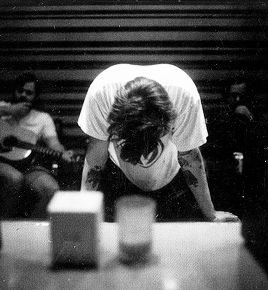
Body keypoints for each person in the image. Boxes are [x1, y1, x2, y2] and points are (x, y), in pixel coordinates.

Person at [78, 64, 239, 222]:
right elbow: (96, 157)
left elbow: (189, 156)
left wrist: (211, 214)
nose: (144, 158)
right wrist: (83, 213)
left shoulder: (184, 95)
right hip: (120, 175)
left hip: (173, 176)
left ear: (168, 122)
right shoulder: (101, 94)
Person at [0, 72, 74, 218]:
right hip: (2, 162)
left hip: (29, 166)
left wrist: (63, 152)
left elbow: (54, 143)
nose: (23, 95)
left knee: (51, 189)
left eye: (28, 93)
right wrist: (9, 110)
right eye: (20, 90)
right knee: (14, 178)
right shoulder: (2, 108)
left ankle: (28, 231)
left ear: (35, 96)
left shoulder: (42, 118)